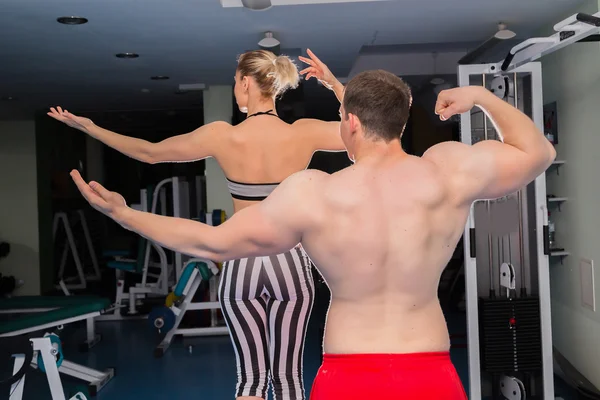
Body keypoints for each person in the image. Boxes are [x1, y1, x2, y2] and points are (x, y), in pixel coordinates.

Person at [69, 70, 556, 399]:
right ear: (403, 121)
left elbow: (209, 243)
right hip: (429, 368)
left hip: (348, 372)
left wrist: (125, 213)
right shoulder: (447, 173)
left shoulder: (312, 193)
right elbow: (537, 153)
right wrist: (482, 98)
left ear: (349, 122)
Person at [49, 49, 346, 400]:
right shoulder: (304, 133)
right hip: (290, 262)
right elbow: (362, 131)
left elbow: (149, 152)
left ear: (246, 83)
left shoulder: (222, 136)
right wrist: (334, 85)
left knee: (250, 382)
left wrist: (90, 127)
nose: (236, 89)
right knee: (288, 382)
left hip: (241, 257)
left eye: (236, 81)